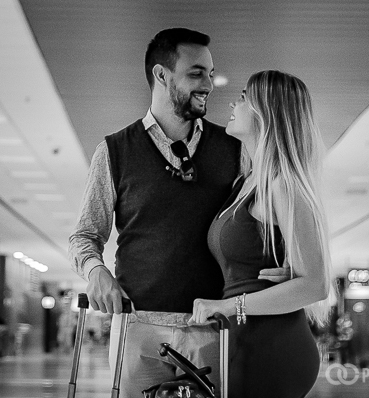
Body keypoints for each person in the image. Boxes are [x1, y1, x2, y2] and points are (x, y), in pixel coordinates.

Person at [70, 28, 288, 398]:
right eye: (196, 73)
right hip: (137, 327)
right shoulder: (113, 152)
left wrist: (285, 264)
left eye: (210, 72)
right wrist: (97, 271)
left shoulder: (237, 149)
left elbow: (267, 220)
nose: (209, 84)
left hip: (214, 327)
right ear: (161, 75)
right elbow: (85, 236)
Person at [190, 71, 330, 398]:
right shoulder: (246, 182)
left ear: (266, 112)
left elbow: (316, 284)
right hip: (245, 339)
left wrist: (229, 306)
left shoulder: (282, 186)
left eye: (243, 96)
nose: (233, 103)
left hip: (273, 345)